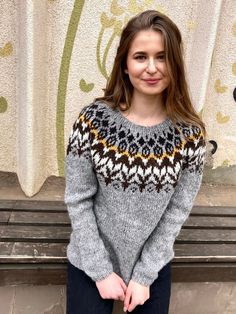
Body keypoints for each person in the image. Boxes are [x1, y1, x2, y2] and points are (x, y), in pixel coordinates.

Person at [65, 9, 207, 314]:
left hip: (151, 269)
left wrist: (144, 276)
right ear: (125, 65)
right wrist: (100, 271)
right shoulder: (92, 122)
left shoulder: (190, 136)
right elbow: (78, 200)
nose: (152, 68)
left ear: (175, 64)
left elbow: (177, 211)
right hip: (91, 263)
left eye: (163, 56)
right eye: (141, 56)